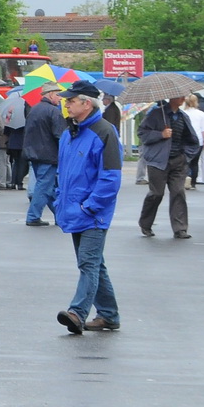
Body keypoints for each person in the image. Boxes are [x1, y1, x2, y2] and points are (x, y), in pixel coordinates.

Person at [55, 82, 121, 334]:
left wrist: (91, 206)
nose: (67, 103)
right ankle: (109, 315)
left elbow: (111, 176)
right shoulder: (69, 133)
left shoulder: (105, 132)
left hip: (92, 213)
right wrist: (60, 198)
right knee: (94, 264)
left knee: (88, 264)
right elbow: (64, 172)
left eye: (71, 100)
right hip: (76, 210)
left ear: (87, 103)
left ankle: (77, 312)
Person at [137, 94, 198, 239]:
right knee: (156, 194)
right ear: (172, 98)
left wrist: (186, 156)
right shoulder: (156, 113)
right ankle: (145, 224)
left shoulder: (183, 116)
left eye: (184, 96)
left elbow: (191, 139)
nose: (183, 99)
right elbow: (142, 133)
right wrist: (160, 134)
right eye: (180, 96)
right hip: (158, 161)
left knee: (178, 193)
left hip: (178, 160)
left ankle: (180, 229)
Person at [23, 85, 66, 226]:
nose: (60, 99)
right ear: (51, 94)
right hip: (48, 154)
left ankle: (60, 216)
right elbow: (60, 135)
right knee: (44, 186)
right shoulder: (54, 112)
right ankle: (33, 216)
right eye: (58, 95)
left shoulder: (34, 109)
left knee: (49, 187)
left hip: (34, 153)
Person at [0, 92, 28, 190]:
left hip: (12, 142)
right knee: (22, 163)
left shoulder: (10, 113)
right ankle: (19, 182)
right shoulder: (26, 115)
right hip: (22, 142)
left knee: (15, 162)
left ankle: (13, 182)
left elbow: (6, 130)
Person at [184, 96, 204, 187]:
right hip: (198, 141)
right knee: (195, 163)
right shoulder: (201, 114)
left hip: (185, 141)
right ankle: (193, 182)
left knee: (185, 162)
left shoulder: (183, 113)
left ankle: (186, 178)